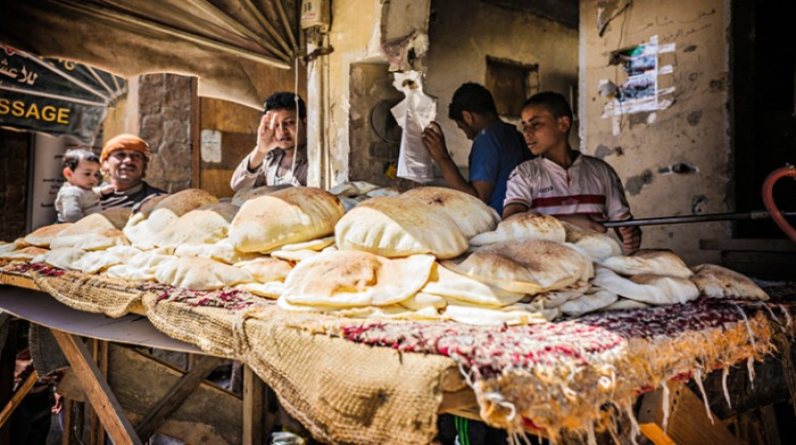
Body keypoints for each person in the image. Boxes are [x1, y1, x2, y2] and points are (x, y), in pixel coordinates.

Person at [503, 92, 642, 253]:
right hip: (545, 263)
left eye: (535, 124)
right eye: (524, 126)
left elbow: (623, 223)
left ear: (563, 124)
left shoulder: (601, 171)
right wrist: (569, 224)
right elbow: (509, 223)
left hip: (597, 263)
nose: (527, 133)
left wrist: (630, 233)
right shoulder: (524, 173)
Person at [421, 82, 531, 215]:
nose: (467, 136)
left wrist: (442, 158)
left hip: (499, 227)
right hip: (521, 223)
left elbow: (475, 201)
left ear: (468, 117)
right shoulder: (516, 135)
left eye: (462, 128)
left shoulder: (487, 138)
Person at [230, 92, 309, 191]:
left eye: (289, 123)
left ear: (305, 124)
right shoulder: (271, 158)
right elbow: (238, 186)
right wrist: (260, 150)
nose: (282, 131)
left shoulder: (316, 159)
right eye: (275, 124)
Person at [99, 134, 165, 210]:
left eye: (136, 156)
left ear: (144, 165)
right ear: (106, 163)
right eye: (120, 155)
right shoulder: (88, 200)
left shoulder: (160, 201)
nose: (128, 161)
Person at [54, 148, 114, 223]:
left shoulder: (82, 188)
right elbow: (72, 215)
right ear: (68, 173)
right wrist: (84, 227)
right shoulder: (71, 193)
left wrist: (101, 191)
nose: (93, 178)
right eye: (87, 174)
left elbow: (88, 194)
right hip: (72, 229)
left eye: (96, 174)